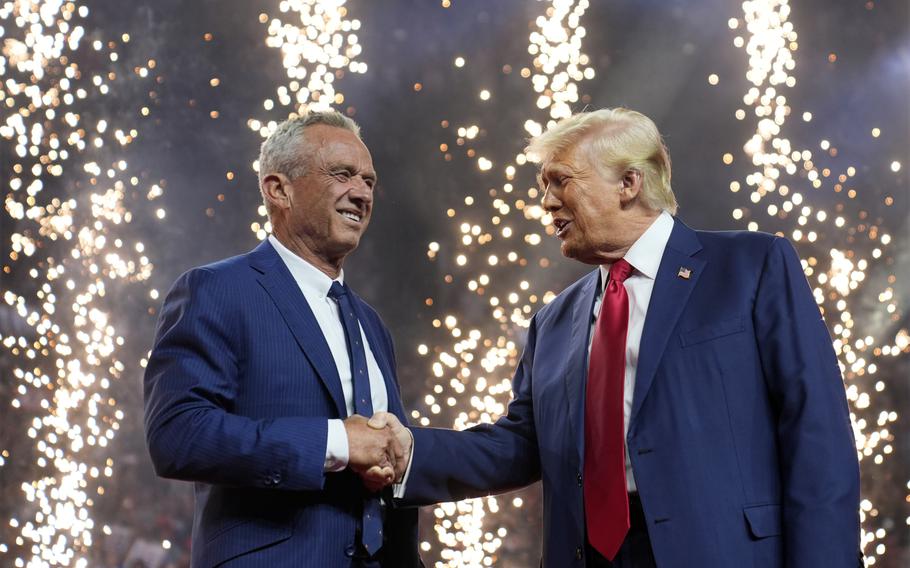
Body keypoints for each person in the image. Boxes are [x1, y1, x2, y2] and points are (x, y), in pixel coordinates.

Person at [373, 108, 861, 567]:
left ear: (629, 182)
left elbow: (813, 427)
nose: (546, 202)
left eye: (560, 181)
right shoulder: (553, 321)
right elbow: (522, 445)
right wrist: (409, 451)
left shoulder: (752, 266)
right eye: (544, 185)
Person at [144, 111, 420, 568]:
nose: (362, 192)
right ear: (278, 189)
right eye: (342, 174)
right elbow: (178, 435)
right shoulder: (217, 290)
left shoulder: (373, 326)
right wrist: (337, 443)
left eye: (369, 180)